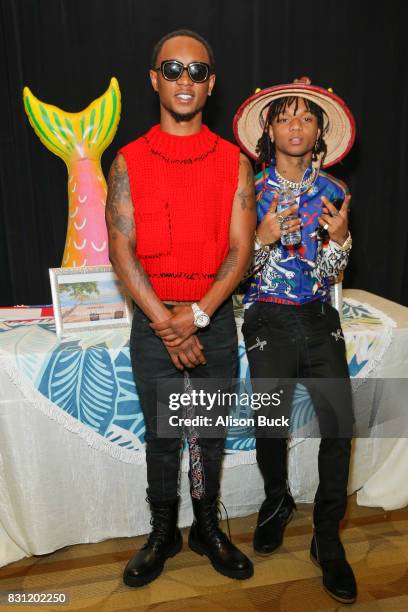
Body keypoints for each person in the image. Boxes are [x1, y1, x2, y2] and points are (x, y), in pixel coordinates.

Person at [105, 29, 256, 587]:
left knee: (209, 431)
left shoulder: (234, 163)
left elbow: (241, 250)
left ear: (211, 83)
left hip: (211, 320)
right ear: (155, 80)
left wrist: (193, 317)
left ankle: (206, 529)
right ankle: (163, 530)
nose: (184, 80)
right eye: (172, 70)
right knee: (165, 434)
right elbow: (121, 248)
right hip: (153, 319)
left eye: (196, 71)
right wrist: (168, 324)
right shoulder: (128, 160)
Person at [233, 77, 357, 603]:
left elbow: (329, 274)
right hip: (265, 317)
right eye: (285, 116)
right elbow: (239, 278)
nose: (296, 125)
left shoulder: (333, 192)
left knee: (341, 425)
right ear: (270, 129)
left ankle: (327, 539)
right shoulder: (250, 191)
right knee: (269, 421)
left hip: (316, 314)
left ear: (319, 131)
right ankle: (277, 499)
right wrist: (259, 240)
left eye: (306, 117)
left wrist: (341, 242)